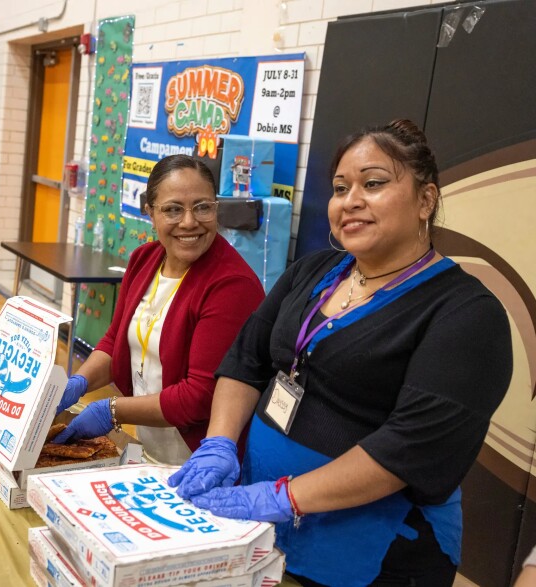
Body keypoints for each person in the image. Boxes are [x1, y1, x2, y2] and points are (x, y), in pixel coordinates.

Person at [168, 120, 513, 586]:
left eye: (373, 184)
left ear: (426, 200)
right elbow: (246, 359)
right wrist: (220, 443)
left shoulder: (465, 314)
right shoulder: (315, 271)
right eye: (339, 187)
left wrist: (284, 497)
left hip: (375, 553)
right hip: (260, 531)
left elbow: (407, 449)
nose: (350, 200)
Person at [53, 154, 265, 466]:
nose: (189, 221)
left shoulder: (232, 285)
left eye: (203, 207)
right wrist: (79, 383)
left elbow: (198, 398)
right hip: (151, 445)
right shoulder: (145, 259)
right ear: (150, 213)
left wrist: (110, 410)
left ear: (216, 208)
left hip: (201, 459)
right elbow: (115, 341)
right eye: (173, 209)